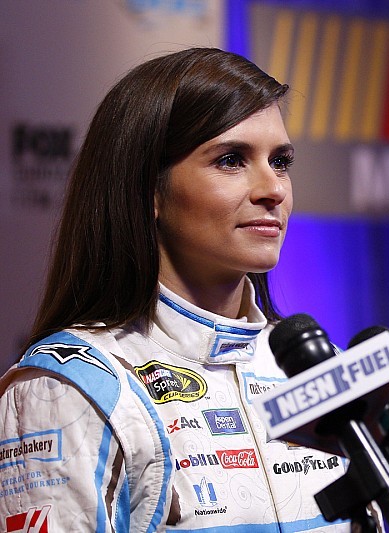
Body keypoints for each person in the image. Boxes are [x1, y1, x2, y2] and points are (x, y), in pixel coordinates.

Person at [0, 47, 352, 532]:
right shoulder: (68, 389)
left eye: (281, 160)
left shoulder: (324, 371)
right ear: (149, 190)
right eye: (231, 160)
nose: (273, 188)